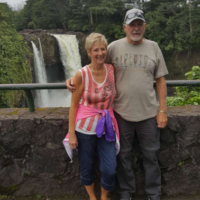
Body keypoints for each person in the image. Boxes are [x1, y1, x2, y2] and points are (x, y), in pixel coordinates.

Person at [66, 8, 168, 200]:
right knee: (123, 158)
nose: (136, 28)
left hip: (148, 114)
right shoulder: (113, 47)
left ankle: (154, 195)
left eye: (139, 24)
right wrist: (72, 79)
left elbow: (161, 80)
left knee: (151, 156)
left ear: (144, 26)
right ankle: (126, 193)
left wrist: (162, 110)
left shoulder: (154, 47)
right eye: (132, 25)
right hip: (121, 115)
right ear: (125, 27)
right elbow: (96, 66)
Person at [68, 32, 119, 200]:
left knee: (110, 167)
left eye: (102, 49)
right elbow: (74, 105)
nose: (100, 53)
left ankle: (104, 196)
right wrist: (72, 134)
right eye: (95, 50)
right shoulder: (82, 74)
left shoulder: (111, 69)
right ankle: (92, 197)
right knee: (87, 165)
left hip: (107, 128)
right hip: (84, 129)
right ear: (88, 52)